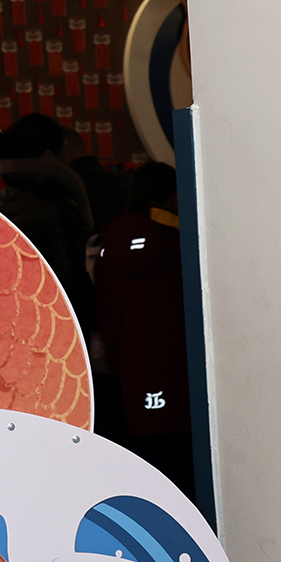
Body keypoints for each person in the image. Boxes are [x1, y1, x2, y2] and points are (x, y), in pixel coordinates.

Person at [92, 160, 196, 496]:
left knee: (147, 471)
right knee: (186, 472)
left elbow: (103, 308)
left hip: (131, 371)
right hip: (181, 371)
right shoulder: (185, 241)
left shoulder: (107, 243)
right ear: (174, 197)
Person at [0, 112, 100, 338]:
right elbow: (70, 280)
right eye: (63, 154)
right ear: (51, 156)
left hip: (9, 323)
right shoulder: (57, 206)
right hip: (54, 328)